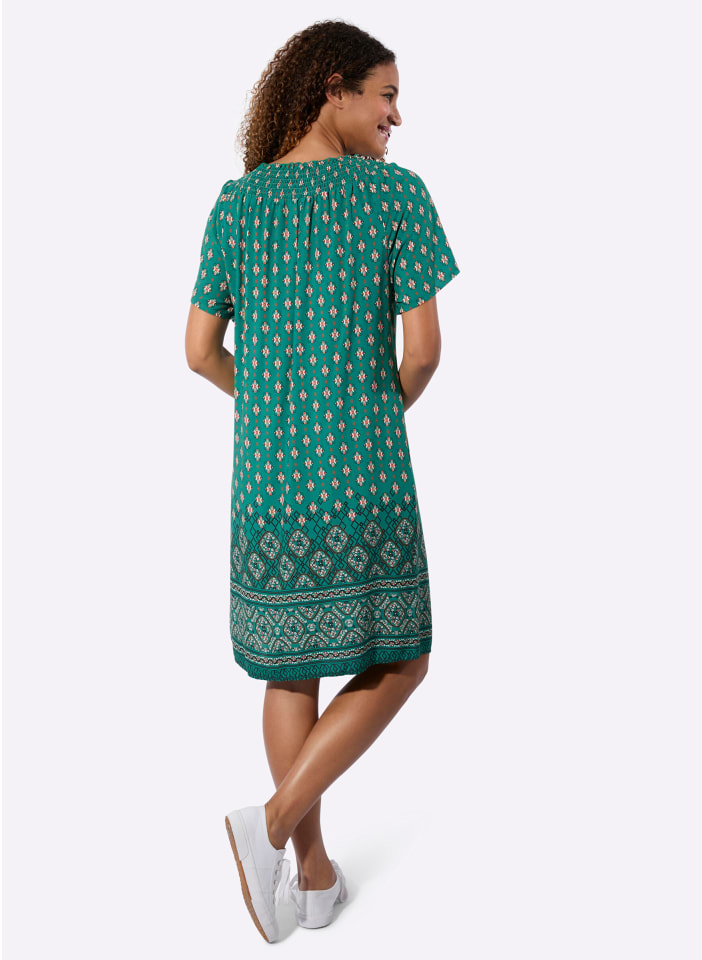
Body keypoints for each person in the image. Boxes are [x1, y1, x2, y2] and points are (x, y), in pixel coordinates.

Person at [185, 19, 460, 943]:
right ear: (334, 88)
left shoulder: (238, 204)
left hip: (267, 482)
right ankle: (269, 830)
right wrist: (371, 412)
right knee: (403, 657)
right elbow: (424, 353)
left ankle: (311, 880)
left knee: (288, 668)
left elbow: (198, 351)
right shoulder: (396, 197)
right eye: (386, 96)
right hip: (364, 474)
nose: (397, 118)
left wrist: (272, 400)